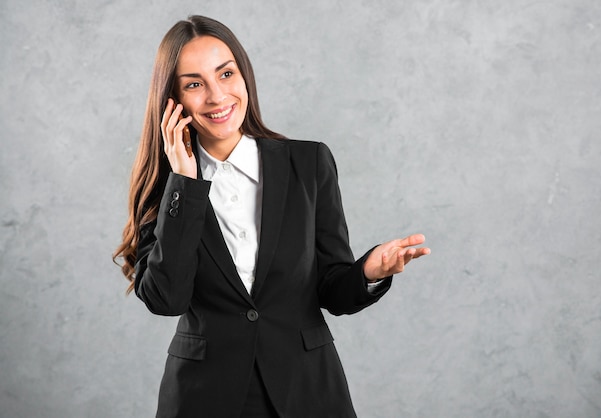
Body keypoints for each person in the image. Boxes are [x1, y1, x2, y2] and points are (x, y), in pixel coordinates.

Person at [114, 15, 430, 418]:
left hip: (308, 390)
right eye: (195, 84)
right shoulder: (167, 188)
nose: (216, 95)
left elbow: (331, 290)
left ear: (244, 76)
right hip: (204, 398)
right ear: (171, 101)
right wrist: (185, 183)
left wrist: (368, 271)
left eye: (226, 74)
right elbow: (166, 299)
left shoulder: (308, 162)